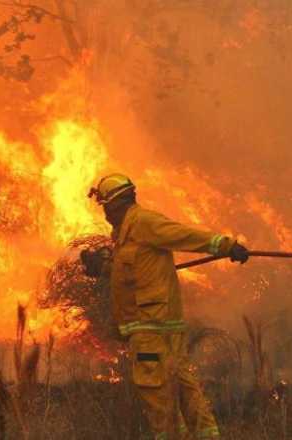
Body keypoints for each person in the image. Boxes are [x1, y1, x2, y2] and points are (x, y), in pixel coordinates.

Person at [81, 173, 249, 439]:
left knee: (157, 394)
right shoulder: (127, 235)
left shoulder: (144, 222)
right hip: (161, 329)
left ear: (115, 204)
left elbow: (183, 235)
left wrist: (226, 246)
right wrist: (102, 268)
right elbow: (134, 272)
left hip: (151, 330)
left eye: (105, 208)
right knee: (184, 391)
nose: (105, 215)